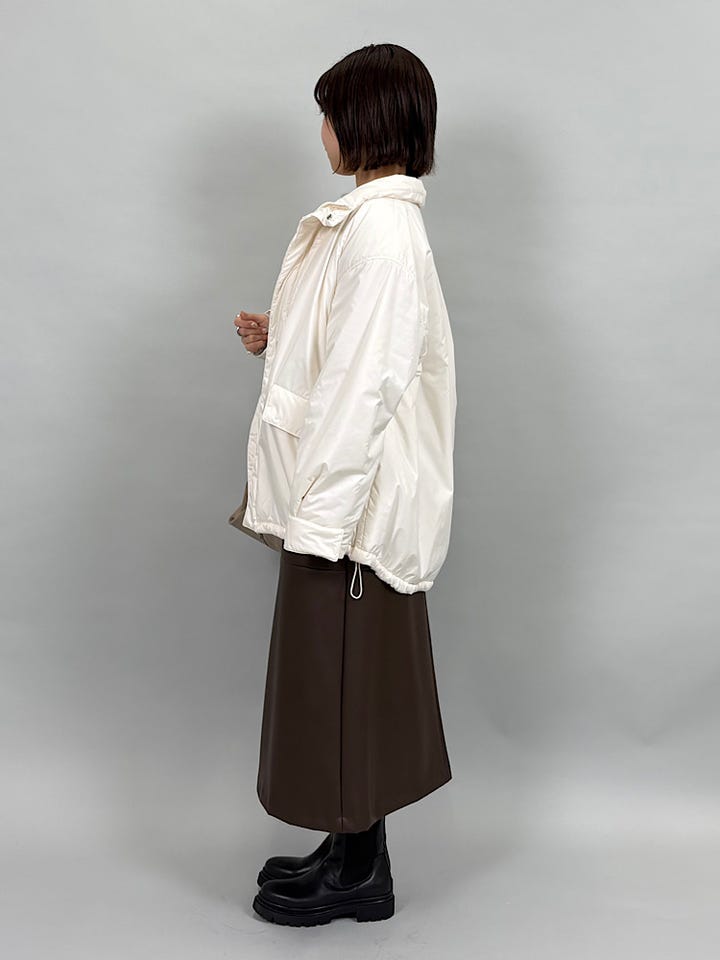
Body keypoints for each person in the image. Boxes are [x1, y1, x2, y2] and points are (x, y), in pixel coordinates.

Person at [230, 42, 457, 927]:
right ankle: (349, 851)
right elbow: (351, 344)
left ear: (362, 119)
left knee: (347, 685)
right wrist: (283, 331)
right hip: (339, 497)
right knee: (341, 687)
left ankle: (361, 873)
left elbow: (366, 386)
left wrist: (321, 527)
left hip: (350, 510)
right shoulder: (367, 224)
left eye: (327, 112)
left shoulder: (383, 233)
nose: (320, 130)